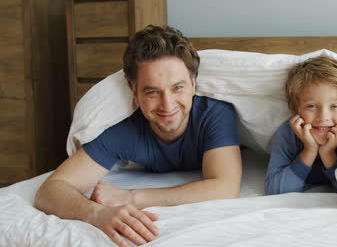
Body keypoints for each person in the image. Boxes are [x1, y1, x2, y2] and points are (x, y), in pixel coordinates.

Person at [34, 25, 242, 247]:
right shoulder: (123, 130)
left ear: (193, 85)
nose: (167, 104)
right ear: (134, 92)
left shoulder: (214, 113)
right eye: (152, 91)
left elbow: (225, 187)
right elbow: (49, 191)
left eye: (177, 88)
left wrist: (132, 197)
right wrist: (96, 214)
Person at [264, 56, 337, 195]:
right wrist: (309, 150)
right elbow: (276, 191)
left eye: (335, 106)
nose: (323, 117)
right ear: (295, 110)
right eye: (311, 106)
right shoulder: (288, 133)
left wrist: (328, 153)